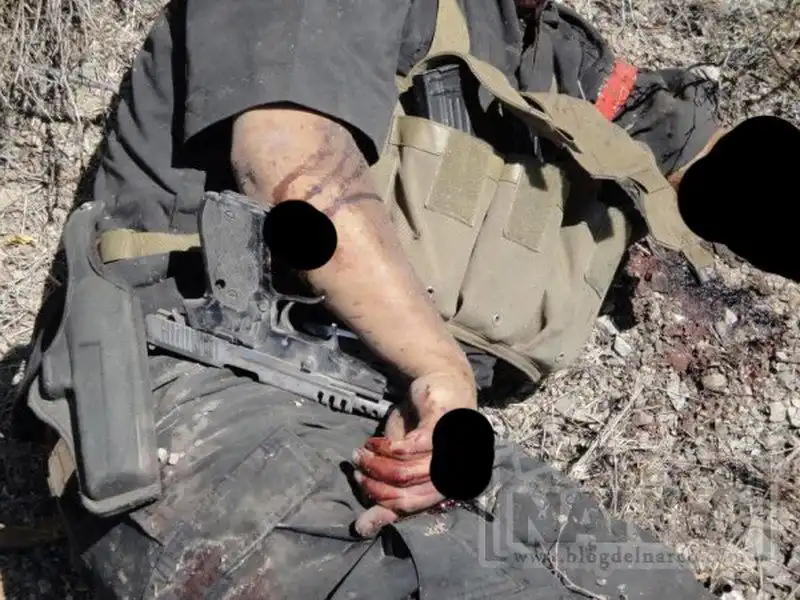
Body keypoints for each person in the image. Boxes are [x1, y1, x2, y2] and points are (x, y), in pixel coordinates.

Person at [11, 0, 797, 597]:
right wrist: (440, 371)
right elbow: (287, 162)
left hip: (396, 424)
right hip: (201, 383)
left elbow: (699, 160)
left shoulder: (541, 47)